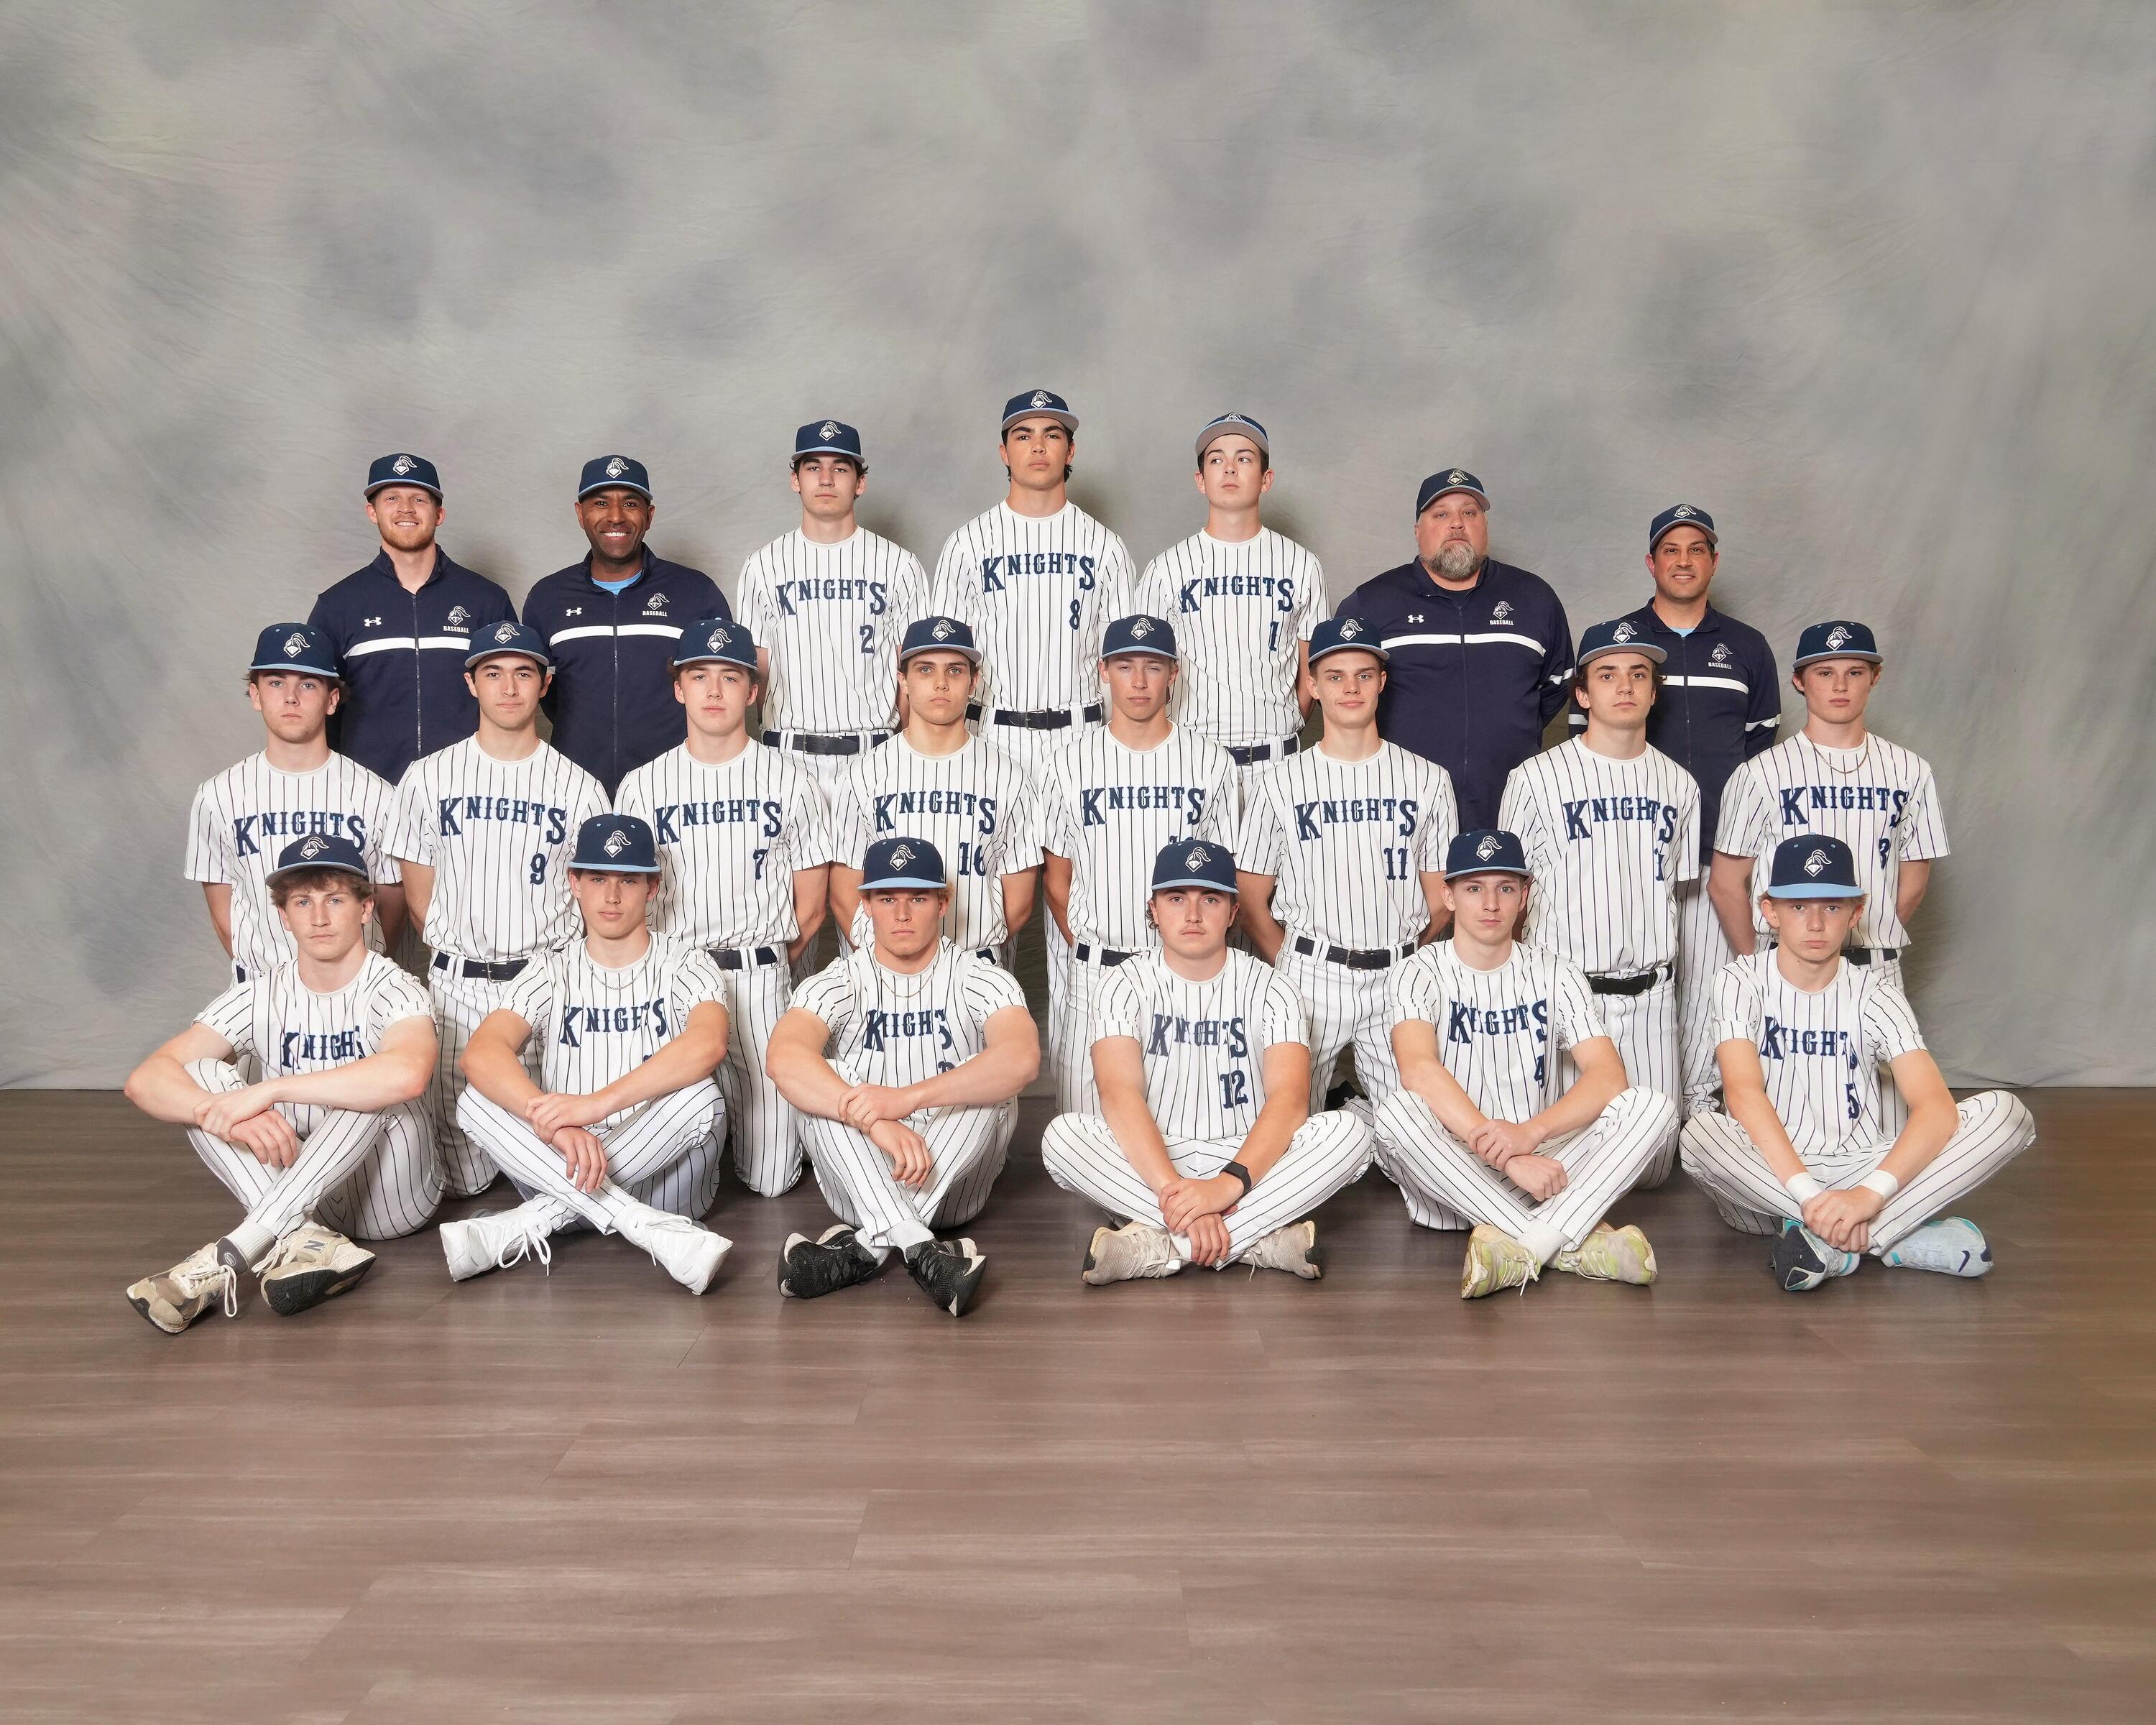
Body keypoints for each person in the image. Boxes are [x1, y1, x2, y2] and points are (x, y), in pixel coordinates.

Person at [1680, 835, 2034, 1292]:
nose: (1814, 922)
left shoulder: (1877, 993)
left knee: (2007, 1114)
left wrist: (1870, 1195)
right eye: (1797, 905)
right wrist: (1810, 1195)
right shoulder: (1739, 981)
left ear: (1856, 912)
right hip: (1772, 1181)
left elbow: (1936, 1107)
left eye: (1831, 907)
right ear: (1769, 911)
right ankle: (1891, 1237)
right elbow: (1743, 1092)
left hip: (1864, 1169)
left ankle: (1833, 1244)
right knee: (1700, 1135)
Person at [121, 835, 438, 1333]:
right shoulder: (262, 991)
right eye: (302, 902)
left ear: (365, 909)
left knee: (371, 1086)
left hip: (391, 1199)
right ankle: (312, 1241)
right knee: (201, 1078)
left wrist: (269, 1091)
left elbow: (408, 1074)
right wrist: (219, 1112)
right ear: (284, 916)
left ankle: (236, 1251)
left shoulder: (394, 985)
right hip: (306, 1190)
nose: (318, 917)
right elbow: (147, 1080)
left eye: (335, 899)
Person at [1041, 841, 1374, 1284]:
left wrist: (1225, 1186)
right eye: (1177, 898)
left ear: (1233, 913)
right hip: (1155, 1160)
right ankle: (1256, 1239)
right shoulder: (1120, 983)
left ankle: (1163, 1245)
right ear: (1154, 910)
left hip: (1249, 1158)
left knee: (1351, 1133)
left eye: (1210, 899)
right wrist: (1177, 1195)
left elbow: (1290, 1101)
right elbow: (1119, 1096)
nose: (1193, 914)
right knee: (1062, 1138)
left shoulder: (1274, 987)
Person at [1371, 829, 1677, 1299]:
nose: (1490, 903)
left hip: (1545, 1165)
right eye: (1474, 888)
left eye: (1505, 888)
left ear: (1525, 896)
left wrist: (1529, 1136)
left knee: (1652, 1106)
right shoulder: (1417, 971)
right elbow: (1418, 1069)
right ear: (1447, 896)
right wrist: (1508, 1156)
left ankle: (1526, 1248)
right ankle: (1568, 1246)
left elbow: (1607, 1075)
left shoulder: (1556, 971)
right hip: (1455, 1175)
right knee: (1397, 1113)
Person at [441, 815, 734, 1294]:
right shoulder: (551, 967)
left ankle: (526, 1223)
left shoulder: (685, 960)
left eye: (627, 880)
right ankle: (637, 1223)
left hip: (666, 1174)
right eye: (597, 878)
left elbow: (709, 1043)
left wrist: (594, 1106)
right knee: (476, 1098)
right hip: (561, 1157)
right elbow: (482, 1053)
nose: (612, 896)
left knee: (702, 1098)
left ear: (652, 887)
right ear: (574, 883)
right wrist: (563, 1129)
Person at [766, 837, 1039, 1317]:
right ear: (865, 904)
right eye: (887, 898)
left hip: (953, 1187)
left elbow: (1021, 1059)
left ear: (943, 902)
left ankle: (865, 1250)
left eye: (918, 898)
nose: (903, 914)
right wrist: (876, 1122)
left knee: (987, 1087)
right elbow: (783, 1058)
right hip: (860, 1176)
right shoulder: (840, 980)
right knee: (821, 1079)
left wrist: (905, 1101)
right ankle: (919, 1246)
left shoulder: (981, 976)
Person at [388, 621, 607, 1196]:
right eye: (493, 673)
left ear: (544, 683)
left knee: (560, 1156)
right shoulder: (427, 778)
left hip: (545, 986)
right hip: (457, 985)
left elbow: (592, 903)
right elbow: (418, 900)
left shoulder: (580, 786)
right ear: (471, 682)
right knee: (463, 1181)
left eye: (523, 673)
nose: (508, 687)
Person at [614, 617, 830, 1199]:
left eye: (731, 678)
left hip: (759, 973)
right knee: (662, 1157)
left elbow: (810, 908)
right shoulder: (642, 785)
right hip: (675, 977)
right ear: (679, 687)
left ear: (753, 691)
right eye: (700, 676)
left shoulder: (793, 780)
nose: (714, 691)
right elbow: (631, 900)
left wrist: (767, 960)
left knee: (771, 1179)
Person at [1578, 506, 1780, 1117]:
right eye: (1672, 550)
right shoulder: (1623, 644)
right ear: (1652, 562)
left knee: (1711, 993)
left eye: (1697, 549)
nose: (1685, 560)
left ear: (1714, 561)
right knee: (1648, 982)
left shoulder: (1746, 646)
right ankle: (1629, 1104)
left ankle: (1699, 1106)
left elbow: (1758, 753)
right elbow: (1588, 742)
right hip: (1636, 853)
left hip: (1723, 854)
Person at [1710, 621, 1947, 1131]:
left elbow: (1915, 876)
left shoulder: (1911, 771)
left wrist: (1867, 931)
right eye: (1824, 672)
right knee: (1785, 1122)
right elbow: (1726, 882)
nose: (1839, 685)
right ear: (1800, 681)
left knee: (1888, 1128)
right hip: (1788, 970)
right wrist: (1758, 964)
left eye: (1854, 671)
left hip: (1876, 967)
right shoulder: (1760, 774)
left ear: (1874, 678)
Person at [1498, 618, 1700, 1183]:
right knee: (1561, 1158)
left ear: (1654, 691)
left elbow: (1675, 890)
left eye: (1639, 674)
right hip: (1569, 995)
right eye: (1607, 674)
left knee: (1656, 1168)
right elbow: (1512, 897)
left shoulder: (1680, 784)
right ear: (1583, 694)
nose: (1626, 685)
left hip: (1651, 997)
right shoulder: (1535, 779)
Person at [1237, 616, 1457, 1112]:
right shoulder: (1280, 782)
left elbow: (1442, 896)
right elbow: (1249, 896)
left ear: (1382, 681)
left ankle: (1354, 1117)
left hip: (1398, 971)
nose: (1350, 687)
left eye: (1363, 674)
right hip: (1309, 972)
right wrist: (1290, 965)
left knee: (1417, 1131)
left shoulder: (1428, 779)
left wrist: (1408, 956)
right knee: (1286, 1130)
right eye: (1335, 676)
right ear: (1312, 684)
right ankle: (1347, 1116)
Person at [1036, 616, 1238, 1113]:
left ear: (1174, 673)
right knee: (1084, 1134)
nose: (1140, 681)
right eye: (1126, 666)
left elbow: (1228, 885)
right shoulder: (1066, 762)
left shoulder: (1212, 763)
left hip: (1183, 970)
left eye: (1153, 666)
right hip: (1097, 970)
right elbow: (1057, 880)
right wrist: (1090, 947)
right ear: (1103, 671)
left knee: (1185, 1123)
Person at [1334, 468, 1573, 831]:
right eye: (1441, 514)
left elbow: (1558, 684)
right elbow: (1341, 692)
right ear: (1418, 530)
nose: (1457, 524)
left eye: (1469, 513)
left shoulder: (1534, 598)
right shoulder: (1371, 604)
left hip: (1511, 800)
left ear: (1485, 526)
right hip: (1399, 804)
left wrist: (1504, 732)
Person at [185, 622, 405, 983]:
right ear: (255, 695)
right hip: (261, 988)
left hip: (357, 990)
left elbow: (391, 902)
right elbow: (222, 904)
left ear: (332, 699)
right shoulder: (217, 795)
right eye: (275, 682)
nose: (291, 697)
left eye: (307, 684)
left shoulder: (378, 794)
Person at [930, 390, 1134, 765]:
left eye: (1052, 435)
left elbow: (1120, 664)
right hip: (989, 735)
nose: (1038, 446)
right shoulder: (966, 545)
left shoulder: (1106, 547)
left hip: (1082, 738)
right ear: (1004, 452)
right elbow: (946, 658)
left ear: (1070, 451)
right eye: (1023, 435)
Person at [824, 617, 1041, 959]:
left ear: (974, 682)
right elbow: (844, 892)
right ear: (903, 681)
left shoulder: (1010, 776)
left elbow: (1019, 900)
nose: (940, 683)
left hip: (976, 964)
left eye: (955, 670)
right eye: (925, 670)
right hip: (885, 966)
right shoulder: (862, 774)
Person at [519, 455, 729, 796]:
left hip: (678, 786)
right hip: (574, 785)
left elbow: (722, 687)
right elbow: (538, 691)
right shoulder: (548, 597)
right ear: (580, 514)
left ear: (649, 515)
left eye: (630, 503)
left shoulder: (695, 591)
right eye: (601, 503)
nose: (616, 516)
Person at [735, 420, 930, 781]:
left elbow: (915, 665)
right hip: (786, 755)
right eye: (813, 468)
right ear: (796, 480)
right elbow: (757, 668)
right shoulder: (762, 565)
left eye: (840, 468)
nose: (826, 479)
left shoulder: (899, 565)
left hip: (876, 753)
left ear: (860, 482)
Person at [308, 454, 515, 786]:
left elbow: (514, 700)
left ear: (439, 514)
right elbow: (315, 704)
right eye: (392, 498)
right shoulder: (338, 605)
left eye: (419, 499)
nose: (406, 508)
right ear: (372, 512)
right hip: (367, 789)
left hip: (470, 788)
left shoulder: (486, 600)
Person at [1133, 413, 1322, 773]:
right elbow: (1145, 665)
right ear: (1200, 480)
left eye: (1244, 458)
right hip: (1192, 759)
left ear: (1266, 480)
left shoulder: (1302, 565)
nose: (1230, 469)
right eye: (1217, 459)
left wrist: (1286, 723)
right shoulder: (1166, 568)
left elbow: (1311, 669)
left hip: (1278, 760)